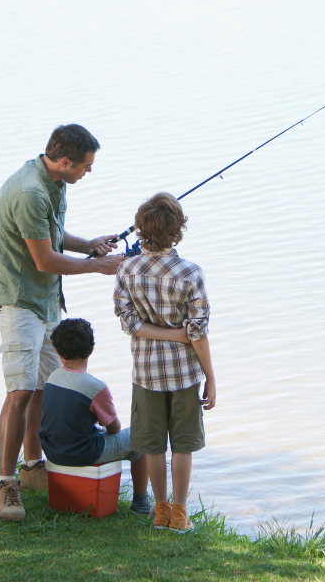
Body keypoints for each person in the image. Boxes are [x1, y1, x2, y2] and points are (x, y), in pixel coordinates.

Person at [0, 124, 124, 522]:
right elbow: (44, 260)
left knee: (44, 388)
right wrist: (96, 266)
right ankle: (6, 483)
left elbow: (50, 236)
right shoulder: (29, 191)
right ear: (64, 161)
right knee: (20, 391)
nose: (88, 172)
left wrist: (88, 246)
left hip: (48, 300)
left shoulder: (54, 182)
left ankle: (33, 467)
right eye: (85, 166)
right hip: (19, 301)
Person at [114, 192, 217, 532]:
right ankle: (180, 513)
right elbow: (197, 333)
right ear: (178, 230)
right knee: (183, 446)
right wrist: (211, 377)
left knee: (153, 447)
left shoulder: (127, 269)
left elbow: (128, 321)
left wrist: (159, 333)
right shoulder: (190, 273)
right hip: (185, 374)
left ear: (141, 229)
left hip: (145, 373)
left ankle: (159, 511)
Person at [39, 318, 151, 514]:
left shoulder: (52, 378)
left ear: (57, 351)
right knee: (140, 439)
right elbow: (114, 428)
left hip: (52, 450)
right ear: (90, 349)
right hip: (81, 453)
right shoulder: (95, 386)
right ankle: (141, 503)